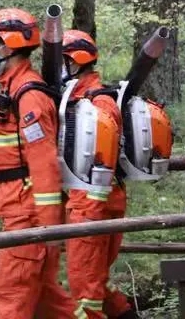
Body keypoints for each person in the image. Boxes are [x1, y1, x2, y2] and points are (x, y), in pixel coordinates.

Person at [0, 8, 74, 319]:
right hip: (21, 211)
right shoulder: (7, 93)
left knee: (11, 300)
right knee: (49, 303)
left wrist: (48, 226)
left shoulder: (30, 96)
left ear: (9, 44)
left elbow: (44, 164)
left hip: (29, 216)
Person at [60, 30, 138, 319]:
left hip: (93, 206)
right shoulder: (79, 99)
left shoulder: (98, 103)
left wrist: (88, 215)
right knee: (96, 280)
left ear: (75, 62)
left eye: (62, 61)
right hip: (89, 202)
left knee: (85, 288)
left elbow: (103, 164)